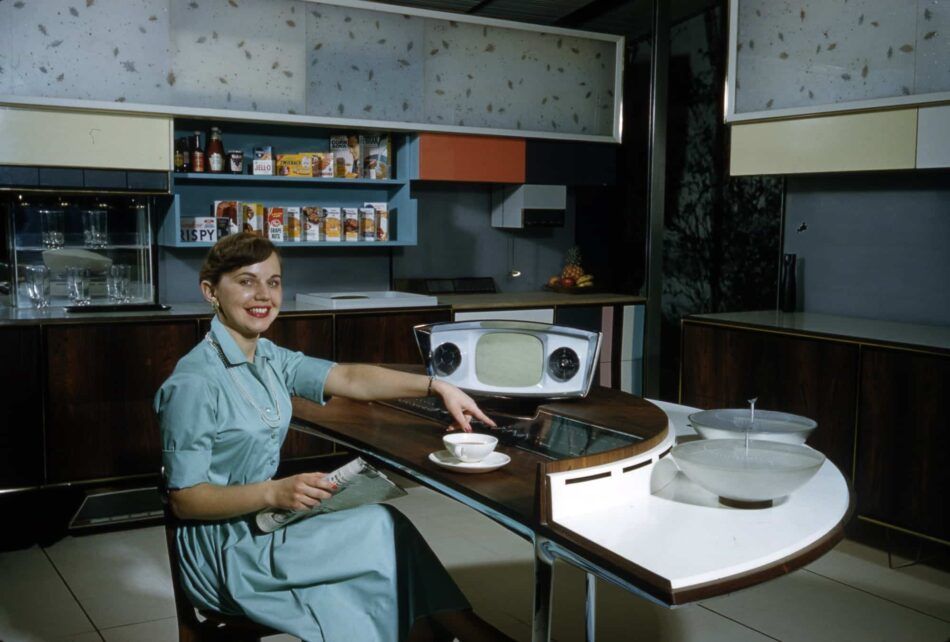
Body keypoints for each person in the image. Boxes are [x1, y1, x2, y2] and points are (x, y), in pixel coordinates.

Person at [155, 233, 499, 641]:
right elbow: (186, 499)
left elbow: (349, 376)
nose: (263, 294)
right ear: (211, 291)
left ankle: (462, 634)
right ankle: (477, 635)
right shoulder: (194, 383)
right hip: (229, 551)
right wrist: (272, 493)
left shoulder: (267, 357)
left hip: (268, 525)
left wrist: (436, 386)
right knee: (382, 533)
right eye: (246, 281)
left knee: (387, 556)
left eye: (274, 281)